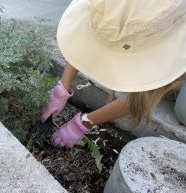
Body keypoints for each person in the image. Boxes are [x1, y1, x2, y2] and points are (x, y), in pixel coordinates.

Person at [41, 0, 186, 148]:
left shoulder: (170, 24)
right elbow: (86, 38)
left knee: (183, 113)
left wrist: (84, 123)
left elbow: (142, 98)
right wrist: (63, 87)